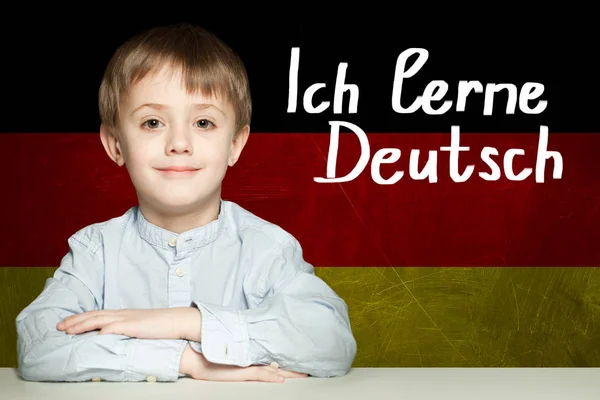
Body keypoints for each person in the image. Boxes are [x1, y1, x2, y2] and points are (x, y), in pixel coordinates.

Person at [15, 23, 357, 384]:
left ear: (235, 145)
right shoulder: (94, 251)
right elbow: (38, 346)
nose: (179, 143)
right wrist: (187, 360)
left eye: (204, 122)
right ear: (115, 144)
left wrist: (186, 322)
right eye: (152, 122)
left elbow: (331, 340)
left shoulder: (266, 248)